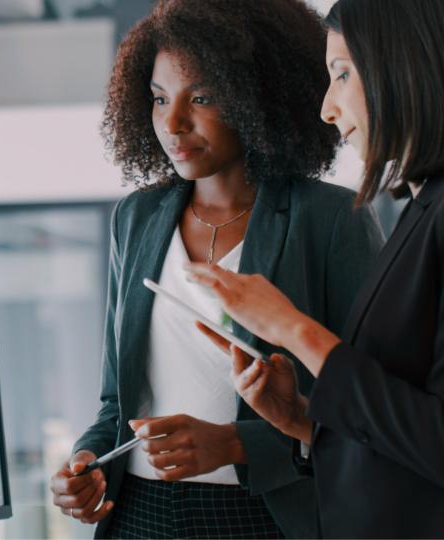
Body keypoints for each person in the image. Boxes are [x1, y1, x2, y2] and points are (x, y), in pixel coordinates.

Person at [48, 0, 386, 538]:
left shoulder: (331, 219)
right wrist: (87, 461)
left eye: (200, 97)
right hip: (138, 516)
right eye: (159, 99)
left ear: (258, 96)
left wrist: (234, 444)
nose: (173, 123)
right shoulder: (136, 218)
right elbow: (117, 401)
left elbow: (373, 409)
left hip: (265, 516)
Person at [186, 0, 444, 537]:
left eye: (342, 75)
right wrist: (302, 420)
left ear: (404, 67)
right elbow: (404, 434)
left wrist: (293, 330)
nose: (328, 108)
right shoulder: (418, 211)